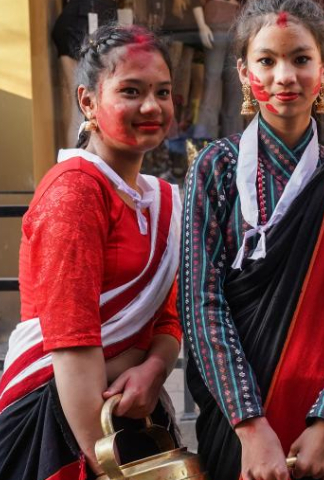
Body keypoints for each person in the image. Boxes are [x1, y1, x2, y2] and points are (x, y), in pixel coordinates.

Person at [179, 1, 324, 479]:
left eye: (300, 59)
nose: (284, 76)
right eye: (266, 61)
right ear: (242, 70)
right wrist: (251, 425)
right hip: (236, 427)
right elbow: (200, 303)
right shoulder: (215, 169)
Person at [0, 24, 182, 479]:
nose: (150, 106)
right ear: (88, 102)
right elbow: (72, 344)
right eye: (131, 91)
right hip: (64, 428)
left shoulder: (160, 199)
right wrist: (105, 467)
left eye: (162, 91)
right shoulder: (75, 192)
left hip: (133, 419)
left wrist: (155, 369)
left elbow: (168, 315)